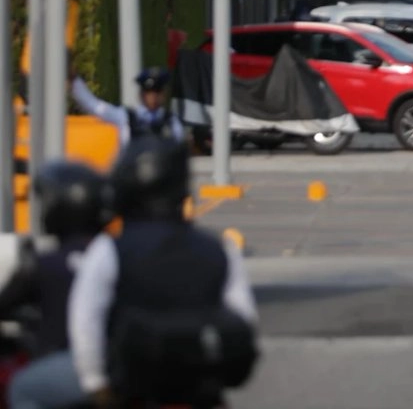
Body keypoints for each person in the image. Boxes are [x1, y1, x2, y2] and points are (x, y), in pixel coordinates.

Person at [68, 134, 258, 408]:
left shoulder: (110, 250)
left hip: (134, 390)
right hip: (201, 391)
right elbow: (244, 319)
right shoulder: (219, 249)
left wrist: (95, 383)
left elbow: (85, 321)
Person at [3, 161, 111, 409]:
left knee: (21, 389)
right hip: (119, 367)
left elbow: (6, 301)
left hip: (73, 367)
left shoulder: (44, 264)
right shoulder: (116, 256)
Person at [70, 67, 184, 147]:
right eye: (149, 92)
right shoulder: (125, 117)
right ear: (141, 95)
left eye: (157, 91)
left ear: (163, 94)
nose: (153, 96)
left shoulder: (171, 122)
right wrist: (74, 80)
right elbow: (93, 105)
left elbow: (179, 152)